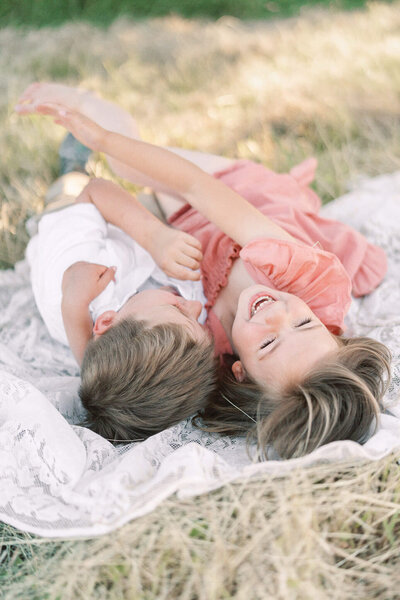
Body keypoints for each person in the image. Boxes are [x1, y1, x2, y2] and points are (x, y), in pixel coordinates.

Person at [16, 84, 392, 459]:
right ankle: (86, 102)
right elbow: (195, 185)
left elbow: (116, 367)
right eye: (305, 323)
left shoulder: (204, 353)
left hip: (186, 230)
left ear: (240, 371)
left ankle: (69, 183)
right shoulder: (297, 272)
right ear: (328, 330)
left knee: (98, 210)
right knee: (125, 164)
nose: (276, 314)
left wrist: (74, 310)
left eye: (267, 343)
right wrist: (103, 139)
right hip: (233, 198)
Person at [24, 162, 216, 444]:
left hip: (66, 225)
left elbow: (94, 192)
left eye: (178, 307)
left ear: (106, 321)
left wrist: (155, 236)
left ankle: (70, 162)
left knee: (71, 185)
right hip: (125, 238)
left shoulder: (83, 273)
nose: (197, 307)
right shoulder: (171, 333)